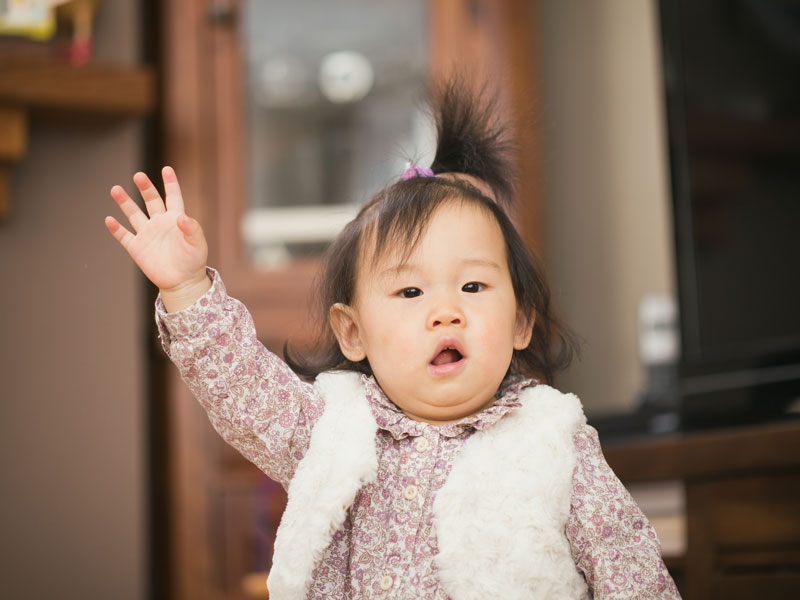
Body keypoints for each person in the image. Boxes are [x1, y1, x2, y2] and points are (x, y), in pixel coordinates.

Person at [105, 82, 681, 599]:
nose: (445, 312)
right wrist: (185, 286)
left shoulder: (555, 440)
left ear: (520, 323)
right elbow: (241, 388)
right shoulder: (332, 430)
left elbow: (631, 572)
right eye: (410, 293)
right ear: (352, 332)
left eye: (473, 285)